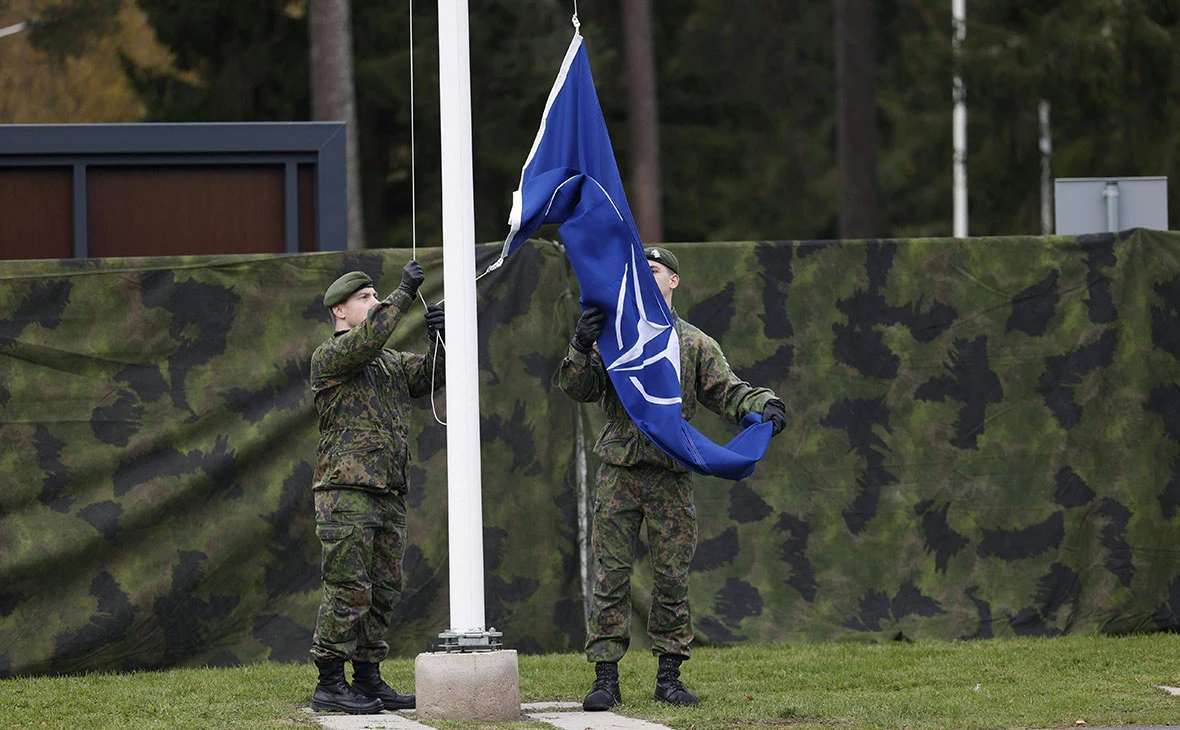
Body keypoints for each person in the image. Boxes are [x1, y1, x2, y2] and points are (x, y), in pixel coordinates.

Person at [559, 246, 787, 711]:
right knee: (611, 578)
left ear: (674, 281)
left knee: (671, 578)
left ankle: (669, 677)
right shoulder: (617, 340)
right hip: (619, 474)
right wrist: (580, 347)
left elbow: (729, 392)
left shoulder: (693, 344)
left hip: (670, 477)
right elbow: (578, 389)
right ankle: (606, 679)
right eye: (640, 270)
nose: (647, 276)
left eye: (655, 270)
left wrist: (763, 404)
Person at [308, 261, 446, 715]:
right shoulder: (332, 357)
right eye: (365, 298)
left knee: (383, 590)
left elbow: (429, 379)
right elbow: (368, 341)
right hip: (346, 491)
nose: (375, 302)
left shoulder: (386, 361)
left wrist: (439, 341)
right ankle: (330, 682)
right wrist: (403, 294)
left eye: (375, 296)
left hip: (387, 490)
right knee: (348, 587)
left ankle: (367, 679)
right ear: (340, 312)